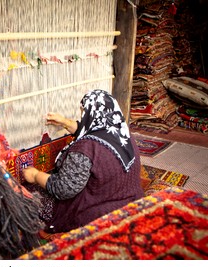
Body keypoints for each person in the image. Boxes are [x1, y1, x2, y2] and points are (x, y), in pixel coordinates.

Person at [23, 89, 144, 234]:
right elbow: (90, 128)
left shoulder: (86, 148)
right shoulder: (122, 133)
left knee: (27, 193)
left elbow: (63, 189)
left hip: (99, 212)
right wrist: (65, 123)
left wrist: (35, 175)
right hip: (130, 200)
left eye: (84, 112)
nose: (83, 115)